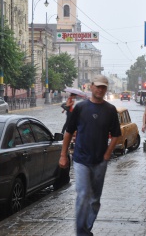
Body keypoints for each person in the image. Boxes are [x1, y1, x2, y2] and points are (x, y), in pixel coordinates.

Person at [59, 74, 121, 236]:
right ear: (91, 86)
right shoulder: (80, 108)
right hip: (81, 160)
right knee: (83, 194)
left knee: (94, 201)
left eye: (103, 87)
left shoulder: (110, 110)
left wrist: (108, 153)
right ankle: (81, 233)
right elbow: (68, 132)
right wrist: (63, 155)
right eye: (97, 86)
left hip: (100, 161)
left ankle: (86, 229)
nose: (100, 89)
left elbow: (116, 134)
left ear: (106, 89)